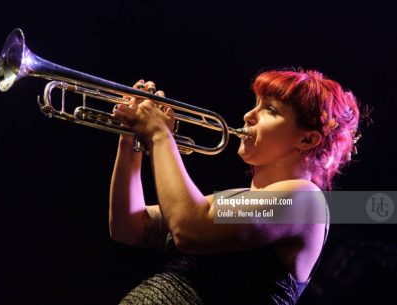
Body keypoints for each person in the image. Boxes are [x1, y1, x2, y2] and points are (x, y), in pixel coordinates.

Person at [109, 69, 361, 304]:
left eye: (270, 110)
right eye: (256, 105)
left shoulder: (306, 201)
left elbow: (189, 228)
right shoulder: (237, 198)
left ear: (307, 139)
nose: (248, 116)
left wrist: (159, 135)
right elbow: (129, 226)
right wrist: (130, 140)